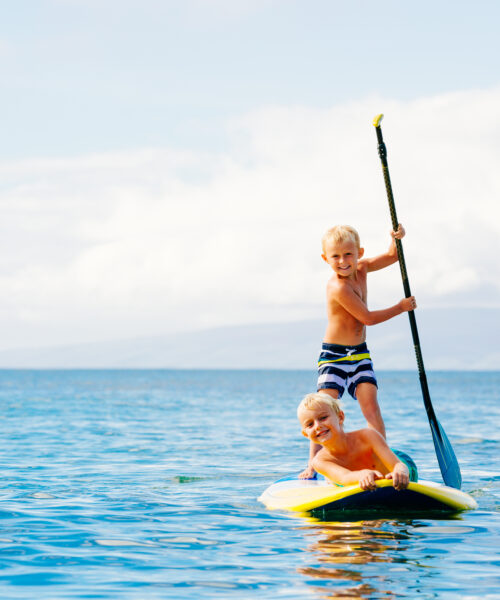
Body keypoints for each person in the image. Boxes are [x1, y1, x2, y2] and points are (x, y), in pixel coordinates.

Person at [300, 224, 416, 479]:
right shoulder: (338, 287)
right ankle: (312, 464)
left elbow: (392, 256)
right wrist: (401, 307)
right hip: (335, 357)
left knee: (371, 407)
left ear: (359, 252)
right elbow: (368, 318)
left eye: (348, 254)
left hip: (360, 354)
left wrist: (396, 239)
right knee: (322, 410)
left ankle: (384, 460)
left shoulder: (363, 269)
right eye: (335, 256)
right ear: (325, 259)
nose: (343, 261)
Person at [297, 392, 417, 490]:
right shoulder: (319, 461)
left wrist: (401, 471)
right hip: (353, 475)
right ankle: (331, 478)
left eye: (323, 418)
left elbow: (397, 464)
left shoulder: (368, 436)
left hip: (398, 461)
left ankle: (332, 479)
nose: (317, 426)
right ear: (305, 434)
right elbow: (345, 477)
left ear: (340, 417)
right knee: (339, 481)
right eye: (310, 424)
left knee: (400, 465)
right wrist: (363, 474)